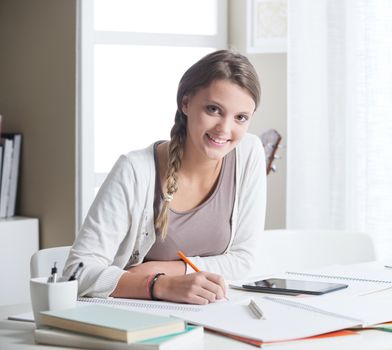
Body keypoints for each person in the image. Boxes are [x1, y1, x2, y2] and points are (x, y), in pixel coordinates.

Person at [63, 50, 266, 305]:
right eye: (214, 109)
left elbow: (243, 261)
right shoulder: (134, 171)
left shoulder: (248, 152)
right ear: (186, 103)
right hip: (138, 318)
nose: (224, 130)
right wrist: (159, 285)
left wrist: (167, 270)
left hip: (212, 314)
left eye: (240, 118)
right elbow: (75, 272)